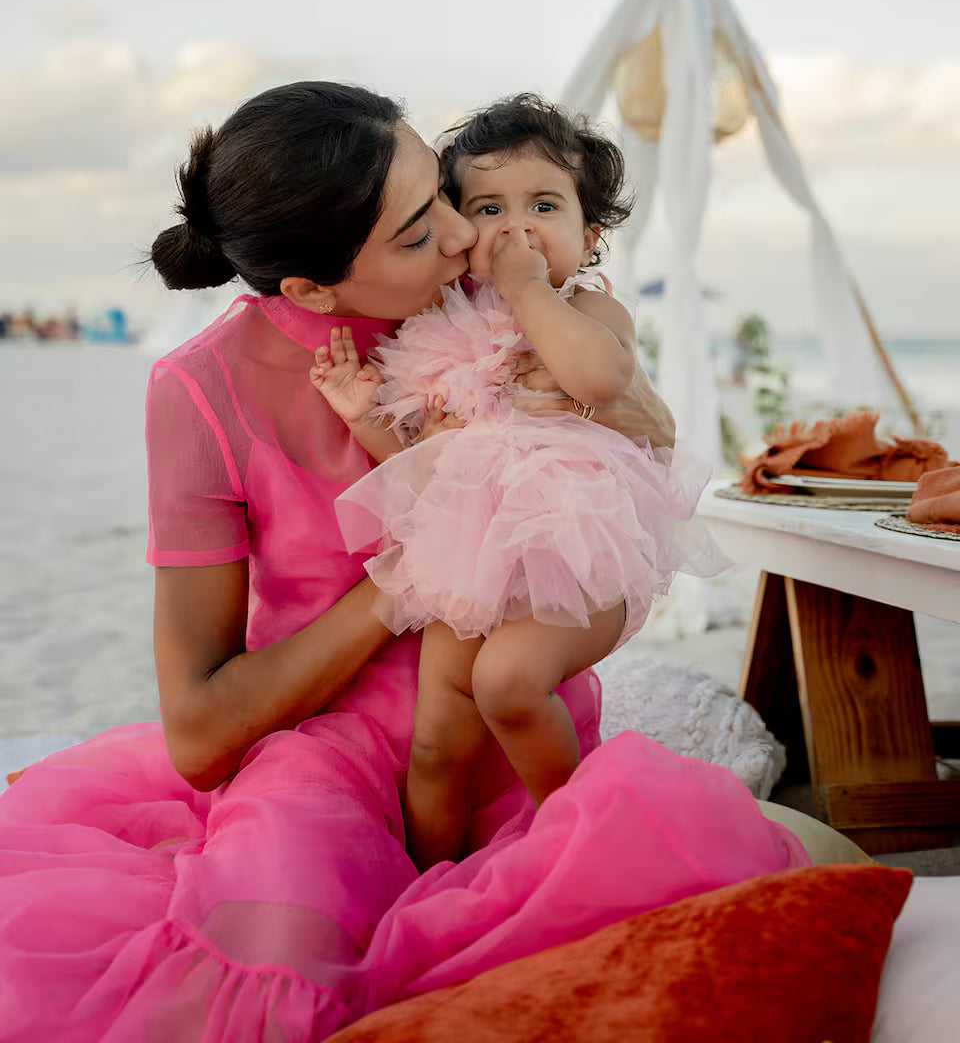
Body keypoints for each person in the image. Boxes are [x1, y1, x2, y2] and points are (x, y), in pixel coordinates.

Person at [0, 82, 807, 1043]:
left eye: (444, 197)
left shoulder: (497, 305)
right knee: (272, 962)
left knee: (652, 922)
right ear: (309, 288)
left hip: (502, 723)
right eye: (422, 232)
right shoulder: (200, 390)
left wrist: (636, 417)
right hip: (319, 745)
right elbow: (202, 735)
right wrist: (398, 589)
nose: (469, 240)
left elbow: (628, 433)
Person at [312, 95, 723, 869]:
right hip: (470, 562)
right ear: (459, 231)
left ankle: (584, 847)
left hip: (578, 550)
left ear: (589, 235)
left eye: (543, 205)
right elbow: (421, 457)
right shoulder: (442, 326)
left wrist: (531, 292)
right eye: (488, 207)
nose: (516, 228)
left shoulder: (586, 308)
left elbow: (601, 381)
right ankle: (428, 884)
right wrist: (362, 413)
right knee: (436, 743)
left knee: (506, 681)